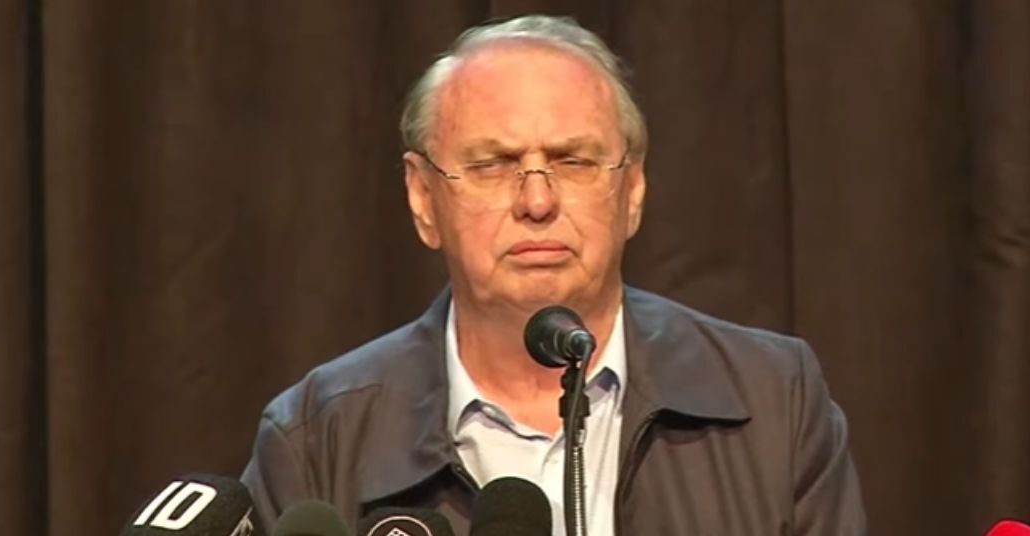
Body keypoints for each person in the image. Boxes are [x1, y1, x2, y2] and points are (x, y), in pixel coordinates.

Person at [241, 15, 866, 535]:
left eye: (573, 161)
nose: (537, 202)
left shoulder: (774, 402)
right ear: (423, 198)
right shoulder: (317, 437)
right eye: (492, 165)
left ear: (633, 189)